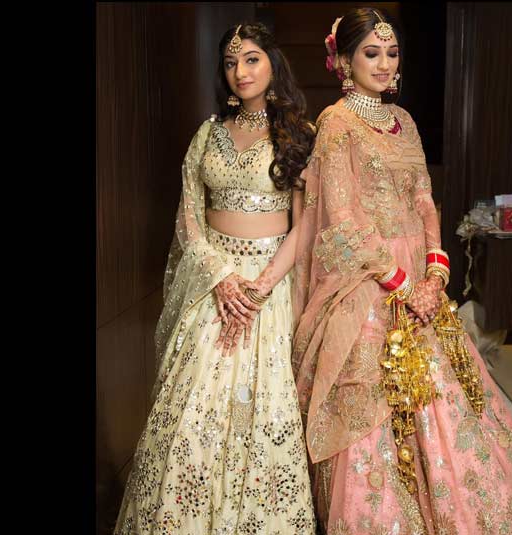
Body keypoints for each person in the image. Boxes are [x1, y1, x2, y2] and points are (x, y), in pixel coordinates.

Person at [292, 8, 512, 535]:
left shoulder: (405, 122)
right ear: (344, 60)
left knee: (452, 395)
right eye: (371, 53)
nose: (384, 64)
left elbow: (426, 200)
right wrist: (399, 283)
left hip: (419, 282)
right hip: (370, 281)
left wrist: (434, 271)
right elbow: (344, 218)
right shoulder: (337, 123)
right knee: (378, 395)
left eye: (392, 53)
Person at [114, 22, 317, 535]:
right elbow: (189, 218)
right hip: (214, 284)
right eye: (231, 62)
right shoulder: (207, 133)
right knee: (191, 408)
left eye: (251, 59)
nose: (240, 71)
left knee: (263, 410)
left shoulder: (297, 133)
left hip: (266, 290)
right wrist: (223, 278)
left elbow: (305, 224)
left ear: (273, 63)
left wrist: (259, 286)